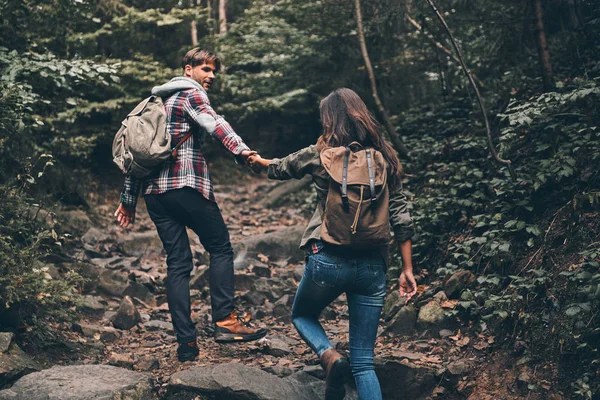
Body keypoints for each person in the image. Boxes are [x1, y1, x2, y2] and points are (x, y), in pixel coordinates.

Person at [248, 88, 417, 400]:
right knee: (365, 363)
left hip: (327, 258)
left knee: (301, 315)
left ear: (330, 120)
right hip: (372, 266)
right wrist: (407, 269)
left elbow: (277, 168)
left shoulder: (320, 154)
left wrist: (254, 159)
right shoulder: (386, 158)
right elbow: (401, 216)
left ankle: (329, 356)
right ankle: (345, 365)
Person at [114, 48, 267, 362]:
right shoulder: (190, 95)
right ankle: (225, 320)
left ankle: (186, 344)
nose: (211, 76)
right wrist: (244, 153)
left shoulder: (154, 105)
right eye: (206, 69)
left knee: (178, 264)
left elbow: (138, 156)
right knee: (221, 248)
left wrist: (128, 202)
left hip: (156, 197)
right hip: (187, 187)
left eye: (214, 72)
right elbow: (216, 124)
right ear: (188, 70)